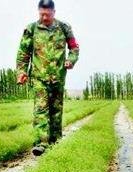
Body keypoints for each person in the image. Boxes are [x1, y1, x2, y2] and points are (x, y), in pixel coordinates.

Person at [17, 0, 80, 156]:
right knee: (41, 109)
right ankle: (41, 143)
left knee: (56, 112)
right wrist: (21, 72)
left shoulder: (64, 28)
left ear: (54, 12)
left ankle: (55, 142)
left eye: (47, 14)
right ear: (39, 12)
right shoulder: (31, 29)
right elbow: (23, 53)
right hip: (39, 78)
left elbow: (74, 48)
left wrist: (71, 60)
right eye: (41, 14)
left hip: (58, 77)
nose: (44, 17)